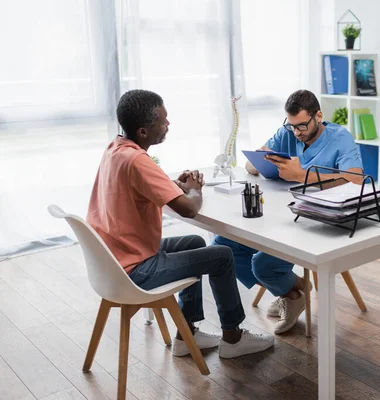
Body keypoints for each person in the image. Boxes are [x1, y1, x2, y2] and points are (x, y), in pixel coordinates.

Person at [86, 89, 274, 359]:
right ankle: (233, 338)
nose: (168, 124)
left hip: (113, 260)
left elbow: (139, 188)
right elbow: (188, 209)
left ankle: (188, 333)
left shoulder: (117, 149)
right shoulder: (138, 160)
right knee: (222, 255)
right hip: (135, 270)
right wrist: (195, 189)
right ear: (143, 131)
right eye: (163, 120)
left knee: (195, 242)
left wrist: (174, 185)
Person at [213, 89, 363, 334]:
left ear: (318, 116)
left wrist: (302, 175)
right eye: (291, 125)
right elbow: (251, 165)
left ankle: (289, 292)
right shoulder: (287, 132)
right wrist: (261, 162)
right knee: (223, 247)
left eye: (302, 126)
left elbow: (355, 180)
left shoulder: (340, 138)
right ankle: (293, 292)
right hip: (281, 215)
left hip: (319, 223)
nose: (296, 133)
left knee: (262, 263)